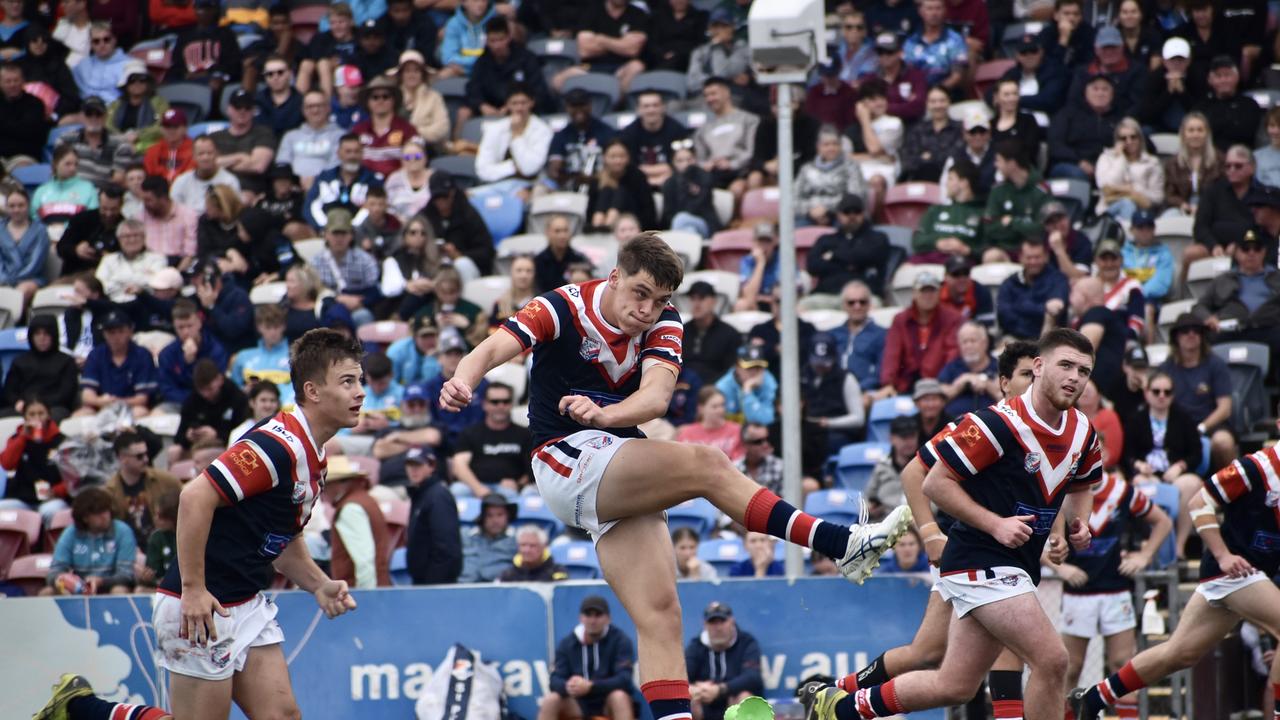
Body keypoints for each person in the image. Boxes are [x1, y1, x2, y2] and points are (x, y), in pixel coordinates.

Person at [442, 233, 911, 720]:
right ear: (615, 277)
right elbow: (494, 347)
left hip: (614, 456)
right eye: (640, 293)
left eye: (661, 299)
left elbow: (656, 399)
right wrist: (463, 379)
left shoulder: (665, 320)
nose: (648, 309)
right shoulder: (563, 306)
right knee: (707, 464)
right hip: (564, 457)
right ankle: (840, 542)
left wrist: (605, 416)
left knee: (662, 616)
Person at [801, 329, 1101, 720]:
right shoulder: (993, 423)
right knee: (1051, 659)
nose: (1075, 377)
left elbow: (1082, 484)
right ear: (1033, 370)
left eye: (1084, 370)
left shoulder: (1082, 431)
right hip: (979, 559)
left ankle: (842, 707)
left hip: (1015, 564)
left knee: (955, 683)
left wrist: (1078, 524)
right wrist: (940, 532)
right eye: (1065, 365)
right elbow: (928, 479)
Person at [151, 328, 361, 718]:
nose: (360, 391)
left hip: (244, 602)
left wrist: (319, 584)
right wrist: (193, 589)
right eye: (348, 381)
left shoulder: (312, 451)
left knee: (283, 715)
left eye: (359, 380)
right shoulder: (275, 445)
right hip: (202, 606)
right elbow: (194, 497)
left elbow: (282, 539)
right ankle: (87, 709)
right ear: (313, 391)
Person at [1068, 442, 1280, 720]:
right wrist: (1223, 555)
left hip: (1249, 573)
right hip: (1233, 570)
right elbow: (1198, 502)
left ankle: (1094, 698)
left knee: (1180, 653)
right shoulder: (1258, 465)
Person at [1054, 467, 1171, 720]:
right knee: (1070, 667)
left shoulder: (1122, 491)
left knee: (1122, 663)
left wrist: (1144, 555)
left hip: (1116, 590)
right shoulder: (1060, 488)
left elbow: (1163, 521)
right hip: (1078, 593)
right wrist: (1060, 568)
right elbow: (1039, 540)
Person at [1122, 369, 1204, 556]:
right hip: (1148, 474)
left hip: (1176, 474)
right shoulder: (1136, 418)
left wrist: (1180, 466)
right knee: (1143, 485)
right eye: (1156, 391)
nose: (1161, 396)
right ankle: (1155, 548)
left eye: (1167, 392)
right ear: (1147, 393)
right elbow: (1127, 454)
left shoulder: (1183, 418)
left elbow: (1196, 453)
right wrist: (1139, 465)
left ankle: (1179, 547)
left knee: (1192, 484)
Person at [1158, 313, 1236, 471]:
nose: (1191, 334)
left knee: (1224, 442)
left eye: (1196, 330)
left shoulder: (1216, 364)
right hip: (1176, 426)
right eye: (1185, 331)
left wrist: (1201, 427)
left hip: (1210, 425)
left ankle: (1232, 486)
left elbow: (1225, 408)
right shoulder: (1166, 368)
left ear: (1202, 336)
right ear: (1176, 337)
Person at [543, 595, 637, 720]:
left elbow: (624, 679)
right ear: (581, 618)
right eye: (588, 615)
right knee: (551, 700)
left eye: (598, 615)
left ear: (608, 619)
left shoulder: (620, 641)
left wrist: (591, 686)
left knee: (619, 697)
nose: (592, 620)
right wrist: (569, 686)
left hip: (607, 702)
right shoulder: (567, 643)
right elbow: (554, 680)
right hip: (577, 704)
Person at [1195, 228, 1280, 363]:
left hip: (1268, 328)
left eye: (1257, 248)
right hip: (1231, 330)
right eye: (1246, 249)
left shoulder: (1276, 278)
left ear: (1264, 252)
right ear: (1236, 252)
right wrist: (1208, 318)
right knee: (1205, 340)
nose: (1251, 253)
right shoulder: (1223, 279)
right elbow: (1199, 306)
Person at [878, 270, 961, 397]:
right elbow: (892, 354)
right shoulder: (900, 319)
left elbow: (952, 353)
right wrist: (888, 383)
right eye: (923, 291)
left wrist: (946, 381)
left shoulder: (952, 318)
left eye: (932, 291)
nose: (928, 295)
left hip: (940, 384)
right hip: (906, 384)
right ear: (914, 294)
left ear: (939, 293)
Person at [462, 16, 551, 131]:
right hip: (491, 109)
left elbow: (538, 91)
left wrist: (512, 106)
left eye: (501, 40)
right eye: (493, 41)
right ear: (487, 41)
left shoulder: (526, 58)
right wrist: (482, 105)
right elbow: (473, 88)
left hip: (521, 107)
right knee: (463, 112)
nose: (497, 46)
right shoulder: (482, 62)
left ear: (509, 37)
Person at [44, 487, 137, 595]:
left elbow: (127, 575)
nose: (105, 516)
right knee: (48, 592)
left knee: (119, 591)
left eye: (106, 510)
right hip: (79, 588)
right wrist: (64, 580)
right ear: (85, 517)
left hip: (110, 585)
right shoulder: (71, 533)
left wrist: (101, 582)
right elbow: (54, 571)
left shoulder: (122, 531)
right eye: (99, 513)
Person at [450, 382, 533, 497]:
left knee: (513, 493)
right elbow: (459, 465)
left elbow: (532, 469)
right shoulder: (470, 433)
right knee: (457, 490)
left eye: (506, 401)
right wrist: (479, 489)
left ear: (511, 404)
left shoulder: (525, 434)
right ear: (484, 404)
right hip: (475, 487)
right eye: (495, 402)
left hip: (509, 490)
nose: (500, 406)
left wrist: (518, 484)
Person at [322, 455, 392, 588]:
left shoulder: (350, 509)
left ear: (340, 484)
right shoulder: (365, 500)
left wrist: (365, 598)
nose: (322, 491)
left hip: (360, 594)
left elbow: (365, 561)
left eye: (326, 485)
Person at [686, 600, 764, 720]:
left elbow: (753, 678)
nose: (718, 627)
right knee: (688, 700)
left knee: (744, 698)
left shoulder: (746, 642)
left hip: (732, 702)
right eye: (712, 622)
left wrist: (720, 690)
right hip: (704, 705)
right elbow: (683, 676)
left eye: (722, 621)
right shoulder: (696, 646)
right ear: (705, 625)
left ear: (732, 621)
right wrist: (695, 690)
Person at [105, 430, 183, 546]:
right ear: (122, 458)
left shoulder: (167, 481)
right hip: (128, 549)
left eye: (146, 454)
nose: (146, 459)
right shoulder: (109, 492)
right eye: (139, 456)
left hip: (166, 544)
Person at [78, 309, 158, 417]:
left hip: (131, 407)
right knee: (81, 415)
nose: (116, 337)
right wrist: (100, 401)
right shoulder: (96, 354)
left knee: (140, 412)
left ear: (130, 331)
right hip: (101, 406)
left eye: (120, 331)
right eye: (111, 332)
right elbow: (87, 395)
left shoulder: (142, 355)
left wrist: (117, 402)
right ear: (104, 334)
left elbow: (142, 399)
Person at [1048, 73, 1123, 182]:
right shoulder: (1067, 114)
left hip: (1107, 166)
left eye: (1105, 89)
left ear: (1112, 94)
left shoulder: (1119, 119)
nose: (1100, 93)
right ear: (1086, 92)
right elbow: (1056, 145)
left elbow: (1140, 141)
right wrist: (1079, 161)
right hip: (1070, 164)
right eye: (1095, 89)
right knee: (1077, 173)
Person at [983, 140, 1050, 262]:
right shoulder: (998, 190)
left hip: (1034, 251)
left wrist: (1012, 222)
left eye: (999, 160)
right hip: (1006, 250)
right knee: (991, 256)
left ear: (1012, 163)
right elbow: (990, 228)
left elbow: (1041, 229)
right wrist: (1023, 228)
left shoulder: (1041, 191)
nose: (995, 165)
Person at [0, 397, 66, 519]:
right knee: (2, 509)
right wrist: (22, 438)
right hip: (23, 499)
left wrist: (56, 491)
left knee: (50, 511)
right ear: (25, 417)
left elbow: (72, 477)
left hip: (52, 499)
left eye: (41, 413)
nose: (37, 418)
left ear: (49, 415)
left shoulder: (61, 441)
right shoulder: (16, 438)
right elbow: (6, 464)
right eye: (31, 414)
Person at [1, 314, 77, 420]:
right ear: (31, 336)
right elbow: (9, 391)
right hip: (22, 407)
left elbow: (66, 393)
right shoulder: (20, 361)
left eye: (46, 334)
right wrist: (18, 402)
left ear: (53, 336)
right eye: (37, 334)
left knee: (56, 416)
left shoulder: (66, 362)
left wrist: (39, 406)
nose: (42, 338)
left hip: (53, 408)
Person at [313, 207, 380, 327]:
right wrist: (337, 299)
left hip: (358, 307)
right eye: (335, 233)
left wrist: (360, 302)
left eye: (343, 233)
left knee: (363, 316)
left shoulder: (365, 260)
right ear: (326, 234)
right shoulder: (317, 262)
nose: (339, 239)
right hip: (329, 308)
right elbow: (313, 292)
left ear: (351, 235)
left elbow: (376, 291)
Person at [173, 359, 251, 461]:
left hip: (227, 446)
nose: (205, 394)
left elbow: (242, 432)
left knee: (205, 455)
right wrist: (188, 436)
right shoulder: (193, 399)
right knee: (174, 451)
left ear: (220, 380)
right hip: (196, 445)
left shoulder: (237, 398)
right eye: (202, 390)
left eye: (209, 389)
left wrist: (217, 435)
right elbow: (179, 435)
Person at [695, 76, 758, 201]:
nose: (710, 99)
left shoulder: (749, 120)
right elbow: (700, 159)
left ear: (727, 93)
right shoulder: (703, 129)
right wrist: (708, 164)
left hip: (740, 171)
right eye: (706, 95)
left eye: (713, 94)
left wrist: (731, 164)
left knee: (737, 189)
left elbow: (752, 151)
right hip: (712, 174)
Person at [157, 299, 229, 408]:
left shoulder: (215, 349)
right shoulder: (167, 354)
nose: (186, 332)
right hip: (180, 403)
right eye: (181, 327)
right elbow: (167, 389)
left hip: (212, 402)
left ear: (199, 323)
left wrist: (192, 363)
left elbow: (217, 382)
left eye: (189, 326)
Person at [421, 170, 494, 277]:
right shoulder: (426, 215)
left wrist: (459, 255)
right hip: (435, 267)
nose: (441, 201)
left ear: (452, 193)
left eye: (444, 196)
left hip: (468, 268)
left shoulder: (469, 215)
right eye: (437, 198)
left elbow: (486, 252)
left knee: (462, 264)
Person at [910, 160, 984, 264]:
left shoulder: (982, 213)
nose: (946, 183)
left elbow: (989, 247)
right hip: (929, 262)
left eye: (950, 179)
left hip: (962, 266)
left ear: (964, 182)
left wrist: (966, 249)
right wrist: (937, 243)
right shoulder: (935, 210)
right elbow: (917, 240)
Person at [802, 332, 865, 453]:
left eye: (824, 362)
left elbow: (858, 418)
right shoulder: (802, 375)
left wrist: (829, 423)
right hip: (808, 430)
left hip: (836, 433)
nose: (820, 366)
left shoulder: (846, 378)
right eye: (816, 362)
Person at [996, 236, 1070, 340]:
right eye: (1029, 258)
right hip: (1014, 338)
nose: (1033, 262)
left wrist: (1020, 306)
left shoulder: (1058, 280)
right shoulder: (1010, 282)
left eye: (1037, 257)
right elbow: (1004, 314)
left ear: (1046, 256)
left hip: (1050, 340)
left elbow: (1055, 310)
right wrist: (1042, 308)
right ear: (1020, 257)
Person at [794, 127, 866, 229]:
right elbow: (794, 199)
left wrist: (826, 208)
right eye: (826, 144)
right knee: (791, 232)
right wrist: (811, 210)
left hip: (841, 215)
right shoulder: (806, 169)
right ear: (818, 147)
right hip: (809, 215)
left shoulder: (851, 167)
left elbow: (856, 196)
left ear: (841, 146)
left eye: (835, 144)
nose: (831, 148)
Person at [1094, 118, 1163, 222]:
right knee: (1127, 203)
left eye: (1133, 137)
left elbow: (1157, 197)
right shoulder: (1106, 158)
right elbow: (1105, 185)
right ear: (1117, 140)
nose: (1129, 141)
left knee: (1129, 205)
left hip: (1142, 211)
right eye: (1123, 138)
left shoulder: (1152, 162)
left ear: (1140, 138)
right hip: (1109, 211)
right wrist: (1119, 158)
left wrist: (1133, 190)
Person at [620, 91, 689, 189]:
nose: (651, 110)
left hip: (673, 183)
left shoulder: (677, 130)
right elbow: (628, 167)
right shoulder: (628, 133)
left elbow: (682, 163)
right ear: (638, 109)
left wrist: (662, 174)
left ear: (663, 108)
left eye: (655, 105)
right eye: (646, 106)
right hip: (636, 184)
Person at [1194, 55, 1263, 152]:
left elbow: (1246, 132)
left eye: (1227, 75)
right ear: (1210, 80)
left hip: (1241, 156)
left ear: (1237, 77)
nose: (1223, 80)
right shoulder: (1202, 106)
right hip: (1210, 156)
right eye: (1218, 76)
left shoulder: (1249, 105)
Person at [831, 280, 887, 397]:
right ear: (844, 305)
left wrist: (855, 390)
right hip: (833, 392)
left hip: (865, 392)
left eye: (862, 302)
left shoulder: (882, 335)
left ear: (869, 304)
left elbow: (880, 372)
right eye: (851, 302)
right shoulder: (832, 334)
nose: (857, 306)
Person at [586, 139, 657, 232]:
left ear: (628, 157)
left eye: (622, 156)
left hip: (632, 225)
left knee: (621, 192)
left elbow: (648, 211)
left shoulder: (637, 177)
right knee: (606, 191)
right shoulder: (597, 179)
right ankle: (598, 227)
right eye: (613, 157)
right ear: (604, 157)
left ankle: (609, 225)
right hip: (599, 225)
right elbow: (590, 210)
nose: (618, 161)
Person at [682, 280, 741, 386]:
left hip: (715, 391)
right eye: (693, 299)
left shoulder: (729, 334)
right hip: (682, 390)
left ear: (713, 301)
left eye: (701, 298)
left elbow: (731, 371)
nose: (696, 304)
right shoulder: (681, 331)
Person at [1137, 37, 1200, 134]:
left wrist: (1182, 92)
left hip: (1192, 129)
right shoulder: (1154, 78)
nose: (1176, 64)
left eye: (1180, 60)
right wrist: (1168, 93)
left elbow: (1201, 112)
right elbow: (1146, 115)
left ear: (1188, 60)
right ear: (1164, 61)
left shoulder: (1197, 76)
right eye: (1172, 60)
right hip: (1159, 128)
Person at [902, 0, 968, 94]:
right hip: (917, 94)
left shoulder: (955, 40)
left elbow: (957, 76)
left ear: (944, 11)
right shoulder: (911, 41)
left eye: (938, 8)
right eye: (929, 9)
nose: (934, 13)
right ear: (921, 12)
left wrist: (937, 92)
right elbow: (906, 74)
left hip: (947, 94)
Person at [1162, 112, 1219, 219]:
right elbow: (1169, 194)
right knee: (1168, 217)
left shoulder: (1220, 160)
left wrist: (1203, 206)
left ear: (1207, 133)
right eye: (1191, 130)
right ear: (1183, 134)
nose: (1195, 135)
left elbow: (1221, 192)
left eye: (1200, 130)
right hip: (1181, 208)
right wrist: (1182, 204)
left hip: (1212, 208)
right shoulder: (1172, 163)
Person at [860, 32, 926, 124]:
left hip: (910, 127)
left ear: (900, 53)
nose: (884, 56)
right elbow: (863, 107)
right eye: (880, 52)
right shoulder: (870, 79)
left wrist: (884, 108)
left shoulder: (915, 76)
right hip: (878, 127)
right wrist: (903, 105)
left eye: (889, 52)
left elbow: (918, 107)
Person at [937, 321, 1000, 418]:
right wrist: (959, 384)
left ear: (985, 343)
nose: (968, 346)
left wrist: (987, 384)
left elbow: (1008, 398)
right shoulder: (952, 367)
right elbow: (937, 399)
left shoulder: (998, 366)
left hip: (990, 424)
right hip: (955, 423)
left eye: (973, 341)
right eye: (964, 342)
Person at [282, 263, 355, 343]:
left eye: (291, 281)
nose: (287, 285)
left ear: (304, 284)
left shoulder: (325, 306)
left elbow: (342, 336)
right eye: (286, 281)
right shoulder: (283, 305)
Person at [0, 187, 48, 311]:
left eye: (21, 205)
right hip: (3, 278)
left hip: (30, 278)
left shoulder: (40, 230)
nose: (16, 210)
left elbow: (36, 261)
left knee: (20, 292)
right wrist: (4, 279)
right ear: (6, 207)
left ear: (28, 206)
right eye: (12, 206)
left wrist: (14, 280)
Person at [865, 415, 922, 520]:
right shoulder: (882, 466)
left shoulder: (924, 466)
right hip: (883, 522)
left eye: (913, 436)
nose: (909, 442)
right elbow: (868, 498)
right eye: (904, 437)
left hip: (914, 522)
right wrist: (870, 509)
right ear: (891, 438)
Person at [661, 143, 721, 238]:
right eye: (680, 161)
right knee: (689, 230)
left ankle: (676, 251)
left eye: (689, 159)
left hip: (704, 223)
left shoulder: (705, 177)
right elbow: (668, 214)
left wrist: (685, 183)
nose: (686, 164)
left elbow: (699, 207)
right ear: (673, 162)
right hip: (681, 226)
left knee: (681, 219)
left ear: (695, 159)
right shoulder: (669, 183)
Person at [140, 174, 198, 271]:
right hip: (149, 266)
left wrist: (175, 275)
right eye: (144, 200)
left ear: (163, 198)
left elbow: (190, 254)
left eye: (149, 200)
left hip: (179, 264)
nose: (145, 205)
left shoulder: (188, 215)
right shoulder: (141, 217)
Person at [998, 34, 1068, 115]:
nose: (1029, 56)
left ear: (1041, 52)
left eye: (1033, 51)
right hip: (1015, 121)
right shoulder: (1012, 73)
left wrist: (1012, 100)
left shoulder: (1054, 71)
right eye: (1023, 52)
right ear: (1017, 56)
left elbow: (1048, 100)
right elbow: (992, 93)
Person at [458, 491, 517, 583]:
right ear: (482, 518)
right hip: (463, 588)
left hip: (500, 592)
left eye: (500, 515)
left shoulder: (517, 539)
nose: (495, 520)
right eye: (489, 515)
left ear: (508, 516)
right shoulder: (465, 536)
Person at [171, 137, 240, 214]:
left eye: (209, 153)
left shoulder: (229, 181)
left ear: (217, 154)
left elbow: (233, 212)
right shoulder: (181, 181)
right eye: (201, 154)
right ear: (193, 156)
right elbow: (173, 210)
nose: (205, 158)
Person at [1122, 210, 1174, 307]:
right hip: (1123, 298)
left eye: (1149, 227)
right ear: (1131, 230)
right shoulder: (1123, 253)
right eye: (1140, 227)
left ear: (1154, 229)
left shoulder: (1164, 254)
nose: (1145, 232)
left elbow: (1161, 282)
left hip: (1151, 301)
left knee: (1148, 307)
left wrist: (1137, 295)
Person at [676, 387, 744, 461]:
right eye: (714, 407)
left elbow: (741, 460)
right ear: (701, 409)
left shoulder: (737, 430)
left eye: (722, 405)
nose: (720, 410)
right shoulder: (687, 434)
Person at [71, 22, 129, 103]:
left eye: (106, 40)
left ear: (114, 40)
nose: (102, 44)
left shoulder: (129, 64)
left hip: (114, 110)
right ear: (91, 44)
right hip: (86, 110)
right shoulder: (83, 65)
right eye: (96, 41)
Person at [735, 222, 782, 312]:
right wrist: (760, 264)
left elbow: (791, 293)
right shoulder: (747, 261)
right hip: (756, 304)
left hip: (778, 304)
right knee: (741, 305)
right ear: (754, 242)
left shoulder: (783, 260)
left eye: (768, 241)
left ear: (775, 241)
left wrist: (770, 298)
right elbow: (749, 296)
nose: (764, 246)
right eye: (760, 241)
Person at [498, 524, 569, 582]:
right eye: (523, 545)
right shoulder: (507, 575)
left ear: (544, 546)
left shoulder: (557, 572)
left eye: (532, 546)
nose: (527, 550)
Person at [140, 490, 179, 589]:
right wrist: (147, 578)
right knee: (140, 590)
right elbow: (154, 569)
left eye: (161, 516)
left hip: (186, 587)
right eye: (155, 514)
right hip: (162, 587)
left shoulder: (190, 536)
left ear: (174, 517)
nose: (156, 519)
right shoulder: (156, 538)